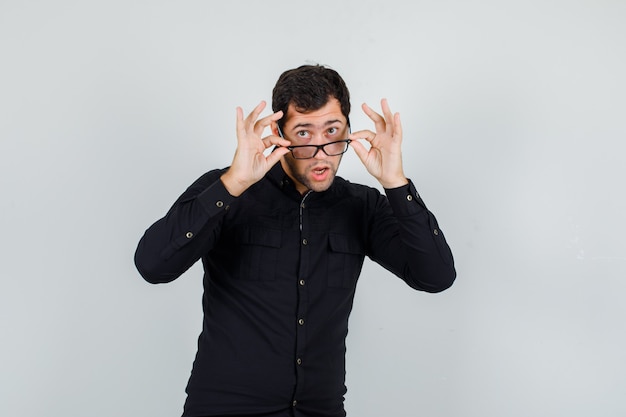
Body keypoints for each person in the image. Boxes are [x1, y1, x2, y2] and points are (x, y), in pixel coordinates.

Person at [134, 64, 456, 417]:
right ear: (278, 132)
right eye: (303, 133)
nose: (320, 151)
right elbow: (153, 266)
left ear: (349, 128)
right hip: (225, 408)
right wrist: (233, 184)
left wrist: (396, 183)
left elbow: (435, 277)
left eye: (332, 131)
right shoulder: (227, 189)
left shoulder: (363, 206)